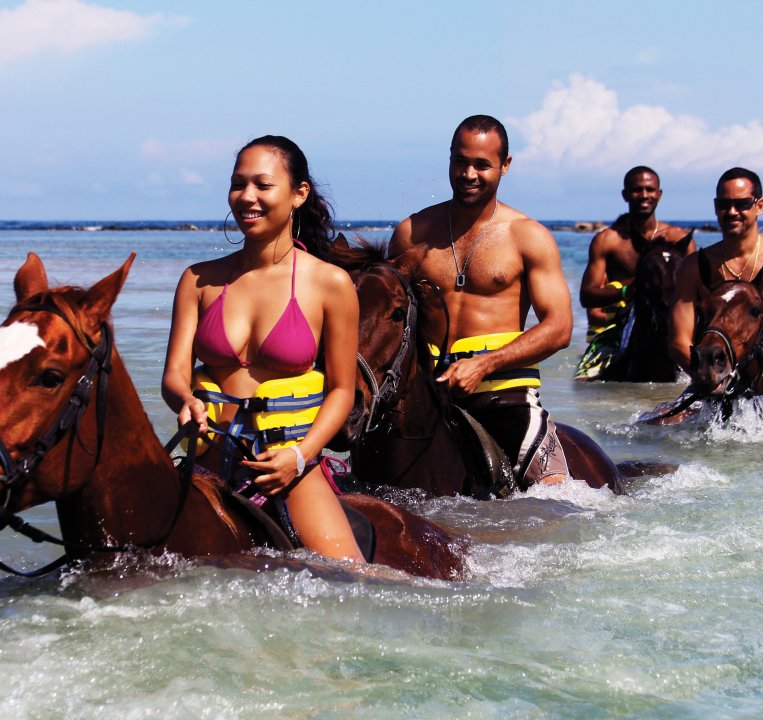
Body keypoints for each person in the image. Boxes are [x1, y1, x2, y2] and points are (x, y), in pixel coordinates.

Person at [162, 135, 364, 562]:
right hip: (208, 460)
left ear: (299, 194)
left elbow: (343, 391)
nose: (246, 197)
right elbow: (175, 374)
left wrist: (299, 456)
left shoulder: (331, 284)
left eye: (262, 185)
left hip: (286, 466)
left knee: (353, 582)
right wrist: (184, 400)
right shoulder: (197, 280)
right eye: (238, 184)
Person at [388, 115, 571, 486]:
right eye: (460, 161)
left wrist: (484, 365)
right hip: (426, 397)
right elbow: (389, 319)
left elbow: (559, 328)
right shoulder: (412, 233)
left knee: (557, 503)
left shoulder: (528, 237)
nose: (468, 174)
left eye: (482, 165)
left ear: (505, 166)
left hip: (506, 396)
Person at [663, 167, 763, 415]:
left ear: (760, 205)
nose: (732, 211)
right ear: (715, 207)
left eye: (742, 204)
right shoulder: (693, 267)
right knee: (658, 424)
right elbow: (678, 340)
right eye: (725, 204)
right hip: (712, 372)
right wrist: (709, 378)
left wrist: (757, 384)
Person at [575, 166, 695, 379]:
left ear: (659, 194)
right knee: (585, 381)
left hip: (672, 330)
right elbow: (587, 296)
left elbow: (695, 292)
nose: (644, 195)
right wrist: (627, 292)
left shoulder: (679, 240)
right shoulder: (608, 240)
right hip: (620, 329)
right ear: (625, 194)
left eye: (650, 189)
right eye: (637, 190)